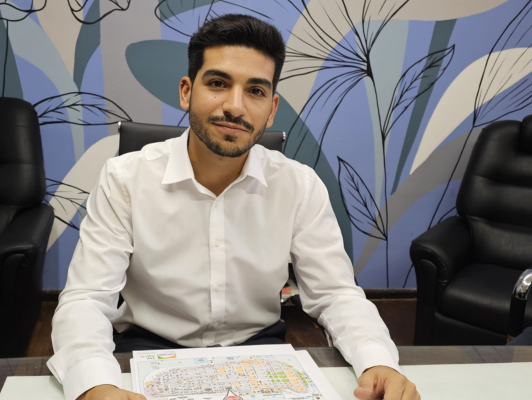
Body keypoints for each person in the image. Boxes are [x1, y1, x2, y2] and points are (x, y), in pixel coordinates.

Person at [47, 14, 421, 400]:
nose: (235, 106)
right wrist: (94, 384)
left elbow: (335, 294)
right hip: (148, 348)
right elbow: (87, 298)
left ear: (271, 109)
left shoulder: (299, 185)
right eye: (218, 84)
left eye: (255, 91)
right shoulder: (125, 179)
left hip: (259, 353)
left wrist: (378, 363)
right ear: (186, 91)